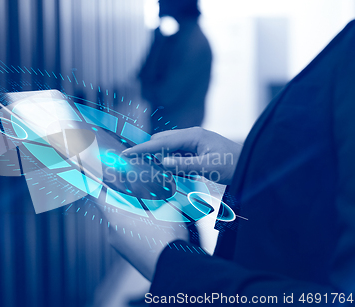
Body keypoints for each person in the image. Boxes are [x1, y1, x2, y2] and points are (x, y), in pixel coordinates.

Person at [99, 20, 355, 305]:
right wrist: (248, 163)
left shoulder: (192, 43)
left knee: (182, 212)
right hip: (181, 144)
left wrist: (173, 267)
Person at [139, 0, 212, 129]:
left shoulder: (192, 43)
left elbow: (165, 96)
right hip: (174, 127)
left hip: (178, 128)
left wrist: (146, 87)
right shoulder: (180, 38)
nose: (158, 4)